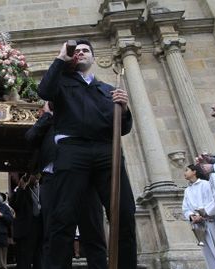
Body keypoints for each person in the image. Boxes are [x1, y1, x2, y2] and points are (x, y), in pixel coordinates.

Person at [38, 39, 137, 268]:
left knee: (123, 214)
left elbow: (123, 128)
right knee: (63, 216)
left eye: (86, 50)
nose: (81, 53)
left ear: (93, 57)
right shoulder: (60, 83)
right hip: (73, 151)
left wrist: (123, 110)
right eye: (77, 51)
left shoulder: (108, 90)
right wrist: (61, 59)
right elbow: (44, 90)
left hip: (106, 151)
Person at [25, 101, 107, 269]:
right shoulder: (48, 122)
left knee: (94, 233)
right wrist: (46, 116)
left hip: (85, 178)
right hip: (54, 180)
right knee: (54, 236)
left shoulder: (83, 115)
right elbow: (30, 137)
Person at [182, 164, 215, 269]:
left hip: (212, 222)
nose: (184, 173)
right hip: (199, 226)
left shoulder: (206, 184)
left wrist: (203, 213)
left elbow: (214, 201)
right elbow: (185, 208)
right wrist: (192, 216)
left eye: (187, 170)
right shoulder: (187, 190)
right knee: (208, 253)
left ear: (194, 172)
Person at [9, 174, 42, 269]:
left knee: (39, 257)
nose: (37, 178)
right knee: (24, 259)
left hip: (39, 227)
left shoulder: (43, 188)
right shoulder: (21, 189)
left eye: (38, 176)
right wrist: (21, 188)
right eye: (34, 176)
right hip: (25, 230)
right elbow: (15, 205)